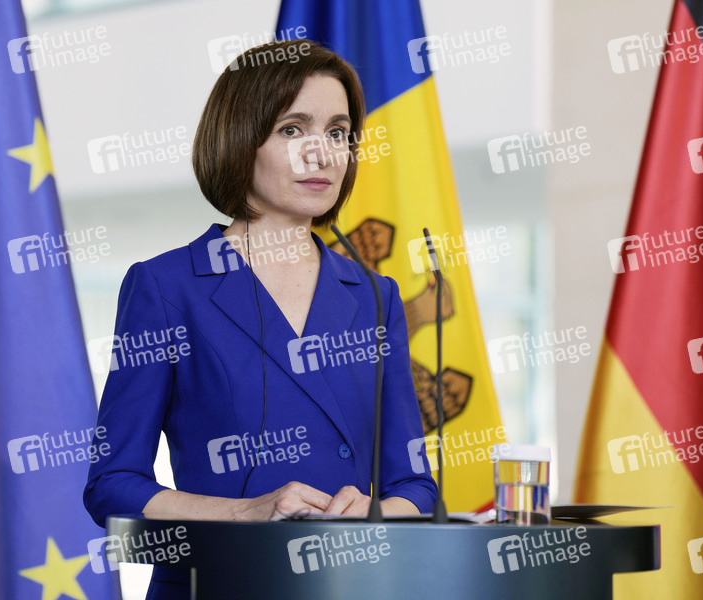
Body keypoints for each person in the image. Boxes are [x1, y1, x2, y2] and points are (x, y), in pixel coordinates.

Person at [83, 39, 437, 599]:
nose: (321, 154)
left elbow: (415, 486)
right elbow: (112, 486)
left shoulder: (376, 295)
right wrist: (243, 513)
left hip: (346, 586)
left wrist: (376, 512)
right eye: (293, 129)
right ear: (238, 140)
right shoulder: (166, 286)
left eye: (338, 133)